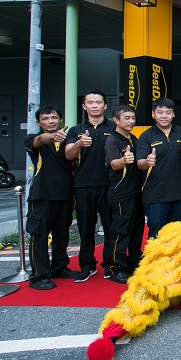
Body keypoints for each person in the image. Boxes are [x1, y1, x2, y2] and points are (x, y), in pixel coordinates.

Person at [64, 90, 116, 283]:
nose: (95, 106)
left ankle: (110, 264)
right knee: (85, 227)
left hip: (109, 185)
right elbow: (68, 155)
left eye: (98, 102)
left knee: (111, 227)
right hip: (83, 185)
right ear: (84, 106)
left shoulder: (114, 127)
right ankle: (87, 266)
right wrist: (78, 144)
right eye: (90, 102)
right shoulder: (75, 130)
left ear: (105, 106)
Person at [23, 106, 76, 290]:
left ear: (60, 120)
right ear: (38, 122)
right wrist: (52, 136)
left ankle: (59, 268)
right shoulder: (33, 139)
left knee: (62, 234)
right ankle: (38, 276)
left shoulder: (69, 141)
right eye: (45, 119)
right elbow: (40, 140)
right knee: (39, 235)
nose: (50, 121)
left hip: (65, 195)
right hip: (42, 195)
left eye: (54, 117)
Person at [136, 97, 181, 240]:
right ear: (153, 114)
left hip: (178, 193)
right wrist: (148, 161)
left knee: (177, 234)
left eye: (168, 112)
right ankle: (155, 256)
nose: (164, 116)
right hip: (155, 194)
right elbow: (140, 163)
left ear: (173, 114)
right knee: (156, 233)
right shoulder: (146, 136)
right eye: (160, 112)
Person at [104, 104, 145, 283]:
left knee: (136, 229)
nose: (131, 121)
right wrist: (123, 160)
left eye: (133, 118)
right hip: (120, 193)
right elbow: (113, 164)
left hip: (137, 192)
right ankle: (116, 267)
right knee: (120, 231)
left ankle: (133, 261)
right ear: (116, 120)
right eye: (126, 118)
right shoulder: (112, 140)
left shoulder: (134, 139)